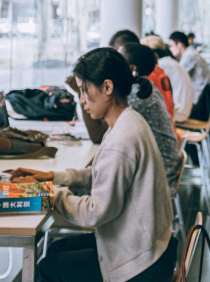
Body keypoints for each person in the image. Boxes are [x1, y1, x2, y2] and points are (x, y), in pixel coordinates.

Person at [11, 47, 176, 282]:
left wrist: (49, 194)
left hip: (141, 263)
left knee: (49, 267)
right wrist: (51, 177)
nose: (81, 100)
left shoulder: (122, 138)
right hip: (149, 245)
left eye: (84, 90)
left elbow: (94, 213)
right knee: (57, 250)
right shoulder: (127, 121)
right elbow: (100, 174)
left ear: (107, 88)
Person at [119, 43, 181, 196]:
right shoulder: (147, 88)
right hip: (161, 169)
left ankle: (50, 208)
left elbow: (98, 136)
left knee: (78, 191)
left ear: (132, 68)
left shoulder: (138, 97)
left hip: (157, 181)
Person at [141, 35, 194, 122]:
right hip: (183, 110)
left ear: (154, 54)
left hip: (178, 114)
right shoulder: (170, 62)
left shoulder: (162, 66)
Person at [169, 31, 210, 106]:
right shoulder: (190, 53)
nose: (170, 49)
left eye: (171, 45)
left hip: (198, 102)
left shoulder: (190, 55)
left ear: (179, 45)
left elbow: (178, 76)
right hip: (200, 97)